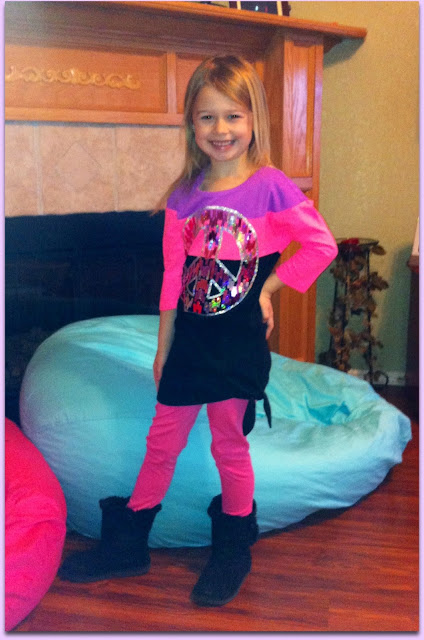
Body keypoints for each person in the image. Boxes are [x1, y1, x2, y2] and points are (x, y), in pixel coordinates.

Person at [58, 55, 338, 606]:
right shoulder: (184, 195)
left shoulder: (271, 187)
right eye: (207, 117)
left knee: (229, 444)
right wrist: (163, 349)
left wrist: (267, 288)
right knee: (161, 442)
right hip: (188, 346)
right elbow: (172, 276)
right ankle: (129, 544)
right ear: (191, 123)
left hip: (235, 348)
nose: (221, 129)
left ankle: (233, 546)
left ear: (254, 119)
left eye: (233, 116)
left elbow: (320, 245)